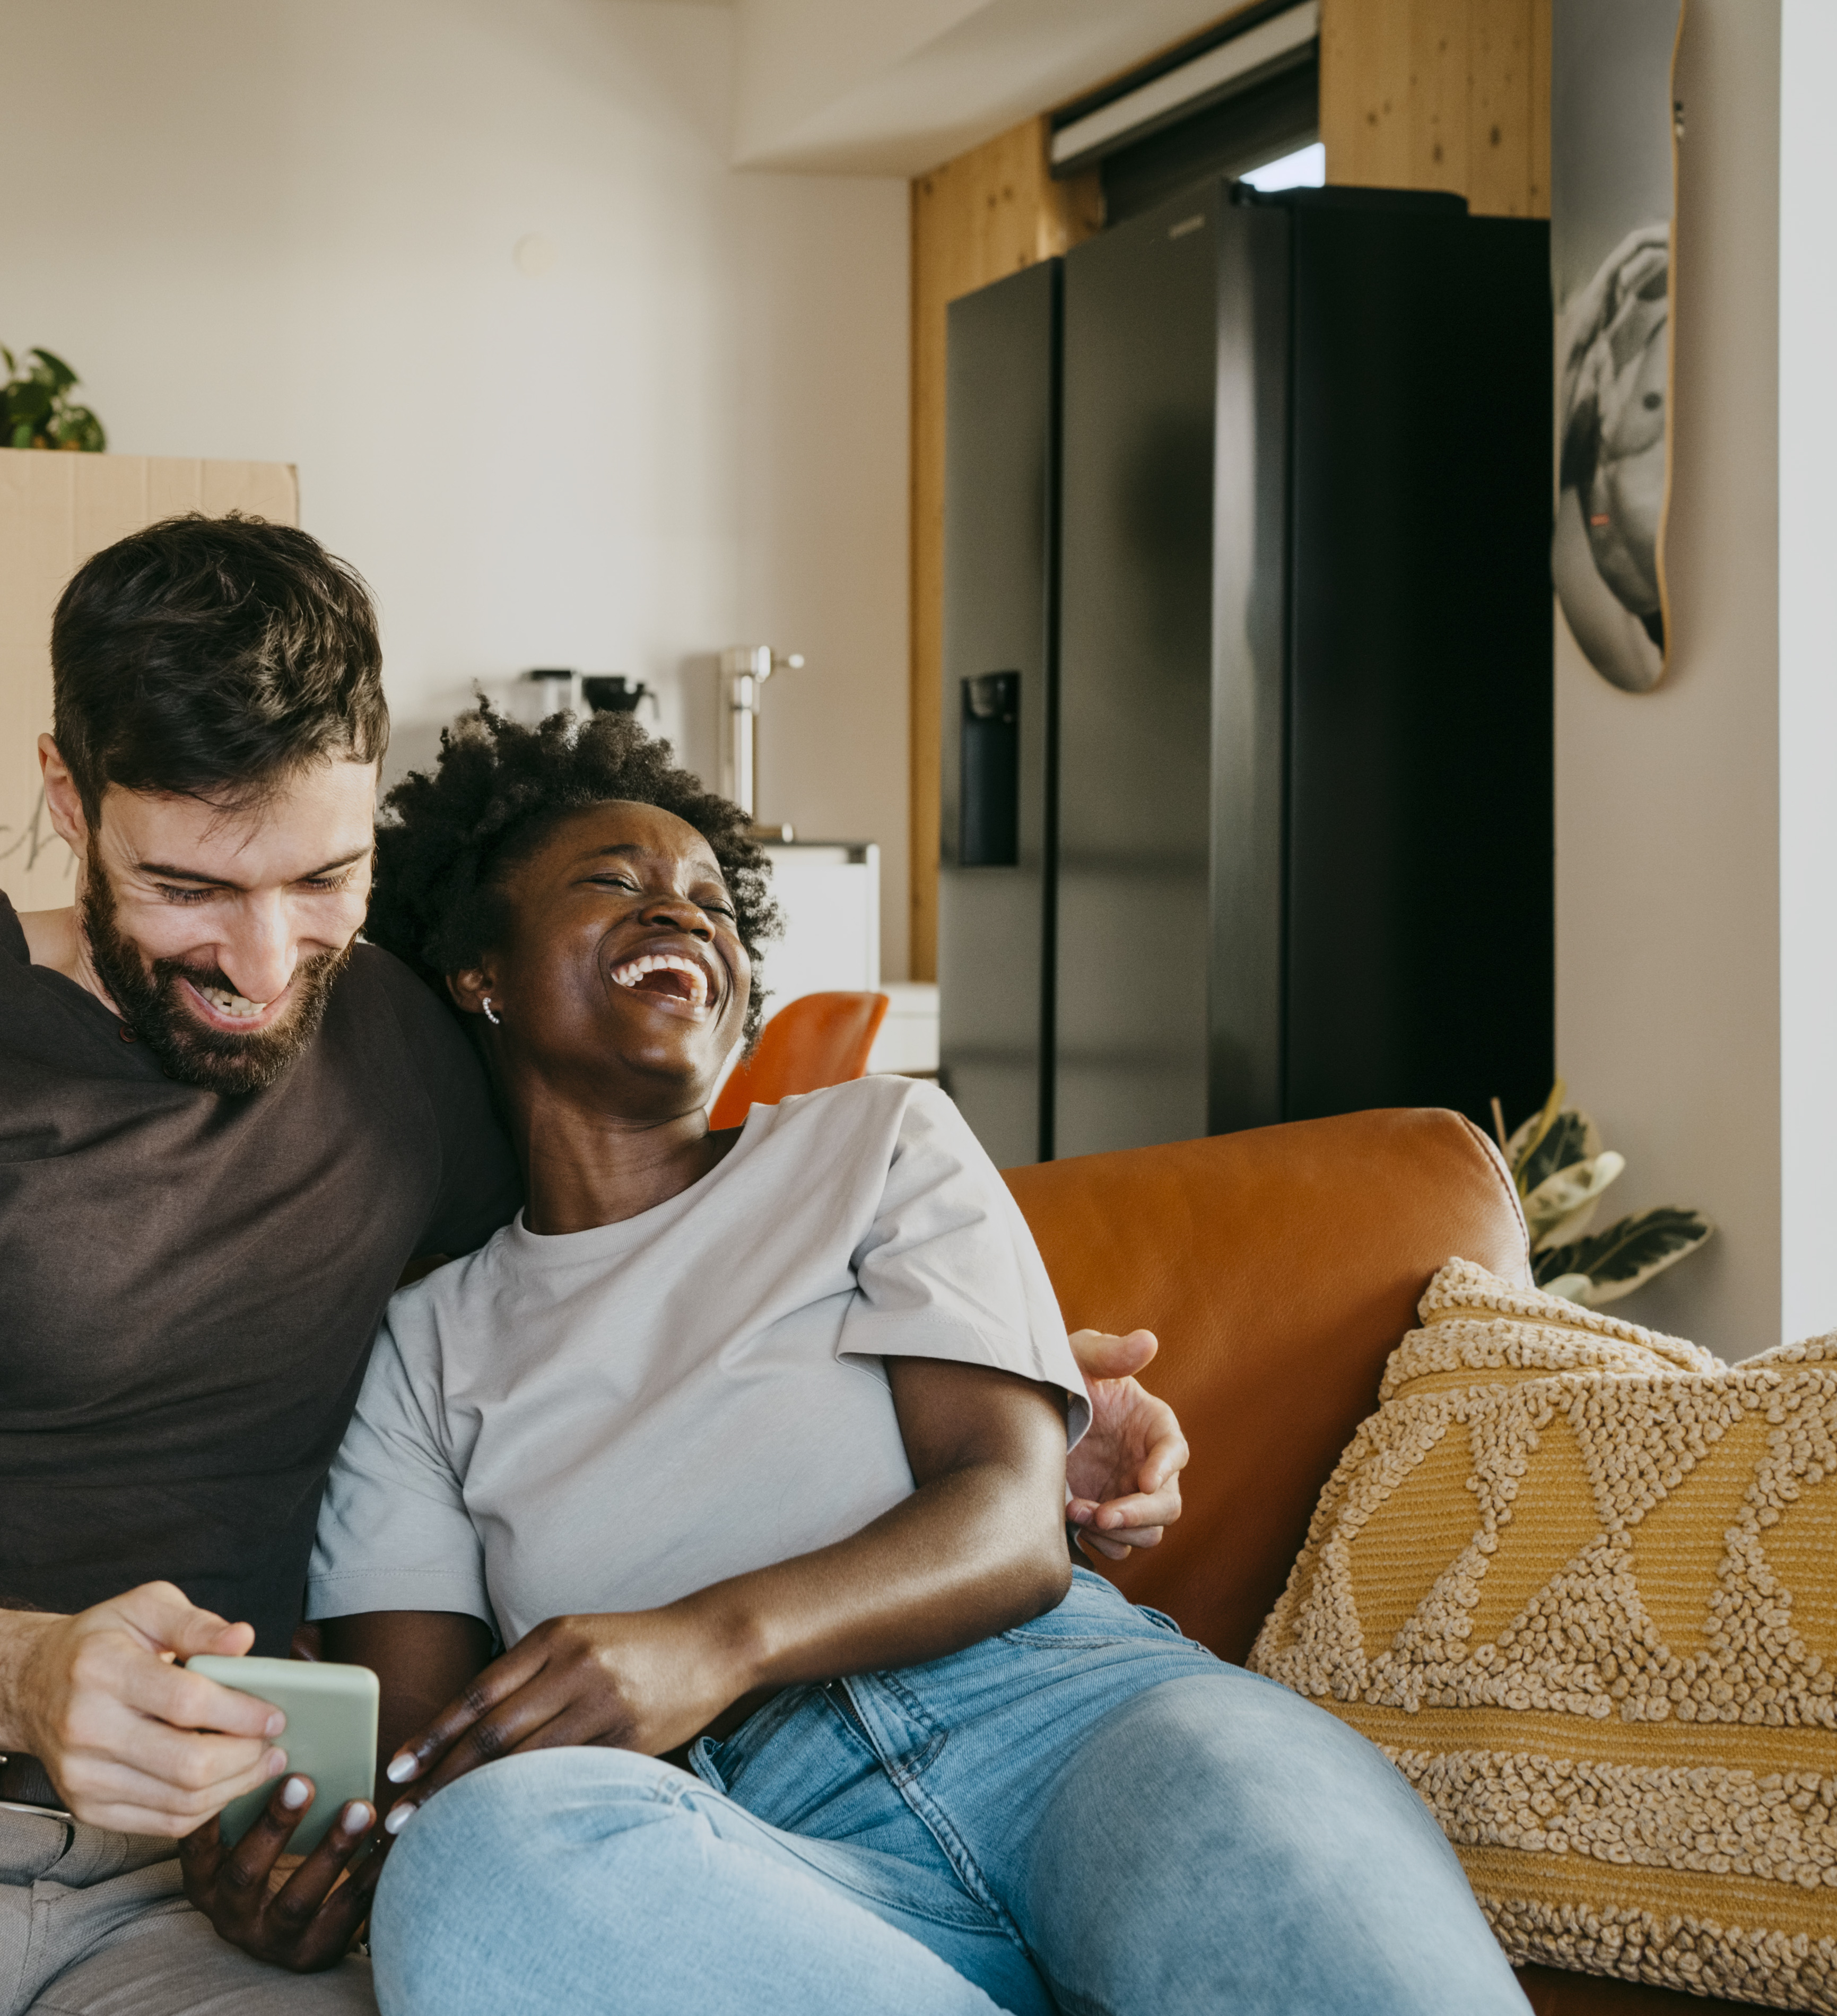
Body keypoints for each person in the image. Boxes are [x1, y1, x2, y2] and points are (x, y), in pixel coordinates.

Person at [0, 516, 1193, 2016]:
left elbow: (677, 1281)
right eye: (194, 887)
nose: (264, 962)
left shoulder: (419, 1053)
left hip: (201, 1894)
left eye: (322, 876)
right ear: (67, 795)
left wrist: (1031, 1396)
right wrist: (23, 1676)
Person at [181, 711, 1523, 2015]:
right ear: (479, 967)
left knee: (1256, 1808)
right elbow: (438, 1773)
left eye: (713, 897)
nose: (684, 912)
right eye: (616, 881)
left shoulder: (878, 1141)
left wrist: (707, 1641)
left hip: (1073, 1724)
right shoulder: (421, 1345)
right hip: (752, 1847)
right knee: (480, 1875)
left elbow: (1012, 1523)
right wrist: (324, 1870)